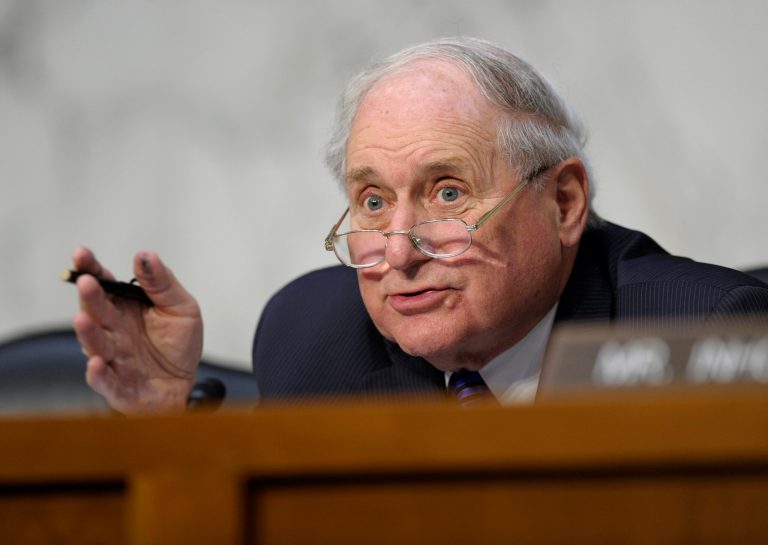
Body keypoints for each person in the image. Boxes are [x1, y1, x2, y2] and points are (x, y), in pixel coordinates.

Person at [71, 37, 768, 412]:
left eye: (447, 192)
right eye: (373, 202)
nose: (399, 251)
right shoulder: (313, 340)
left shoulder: (706, 334)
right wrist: (170, 433)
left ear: (563, 204)